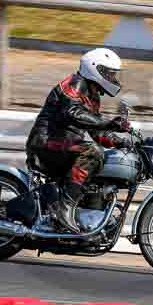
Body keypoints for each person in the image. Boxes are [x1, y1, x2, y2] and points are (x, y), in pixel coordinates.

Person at [25, 48, 133, 233]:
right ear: (94, 69)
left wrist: (121, 142)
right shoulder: (74, 83)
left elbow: (97, 132)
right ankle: (64, 209)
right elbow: (73, 113)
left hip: (64, 146)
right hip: (46, 142)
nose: (112, 78)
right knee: (92, 152)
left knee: (102, 158)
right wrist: (110, 122)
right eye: (108, 73)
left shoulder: (93, 96)